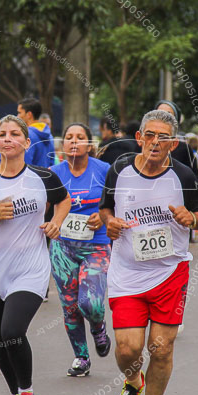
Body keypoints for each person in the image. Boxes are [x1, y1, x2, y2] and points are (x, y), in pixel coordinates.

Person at [99, 109, 198, 395]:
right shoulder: (119, 170)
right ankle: (133, 382)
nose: (155, 142)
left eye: (163, 137)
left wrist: (191, 219)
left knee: (161, 348)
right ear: (139, 138)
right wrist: (110, 222)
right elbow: (105, 208)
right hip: (127, 273)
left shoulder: (185, 176)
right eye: (150, 135)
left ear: (173, 143)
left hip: (169, 271)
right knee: (128, 349)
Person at [0, 115, 70, 395]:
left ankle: (27, 393)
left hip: (30, 268)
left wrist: (56, 223)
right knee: (1, 341)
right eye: (2, 134)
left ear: (27, 143)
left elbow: (64, 200)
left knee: (12, 331)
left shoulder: (43, 177)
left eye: (15, 134)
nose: (7, 138)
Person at [50, 123, 112, 377]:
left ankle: (98, 328)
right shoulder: (54, 173)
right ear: (62, 144)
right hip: (62, 247)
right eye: (69, 137)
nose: (74, 141)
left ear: (89, 144)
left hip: (95, 245)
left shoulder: (104, 171)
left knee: (91, 303)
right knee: (70, 306)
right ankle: (81, 357)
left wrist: (102, 215)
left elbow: (117, 202)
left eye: (80, 137)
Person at [17, 97, 54, 167]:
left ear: (29, 115)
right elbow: (52, 163)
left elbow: (25, 164)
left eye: (19, 112)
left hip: (30, 177)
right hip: (46, 176)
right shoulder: (50, 136)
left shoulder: (28, 135)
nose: (17, 116)